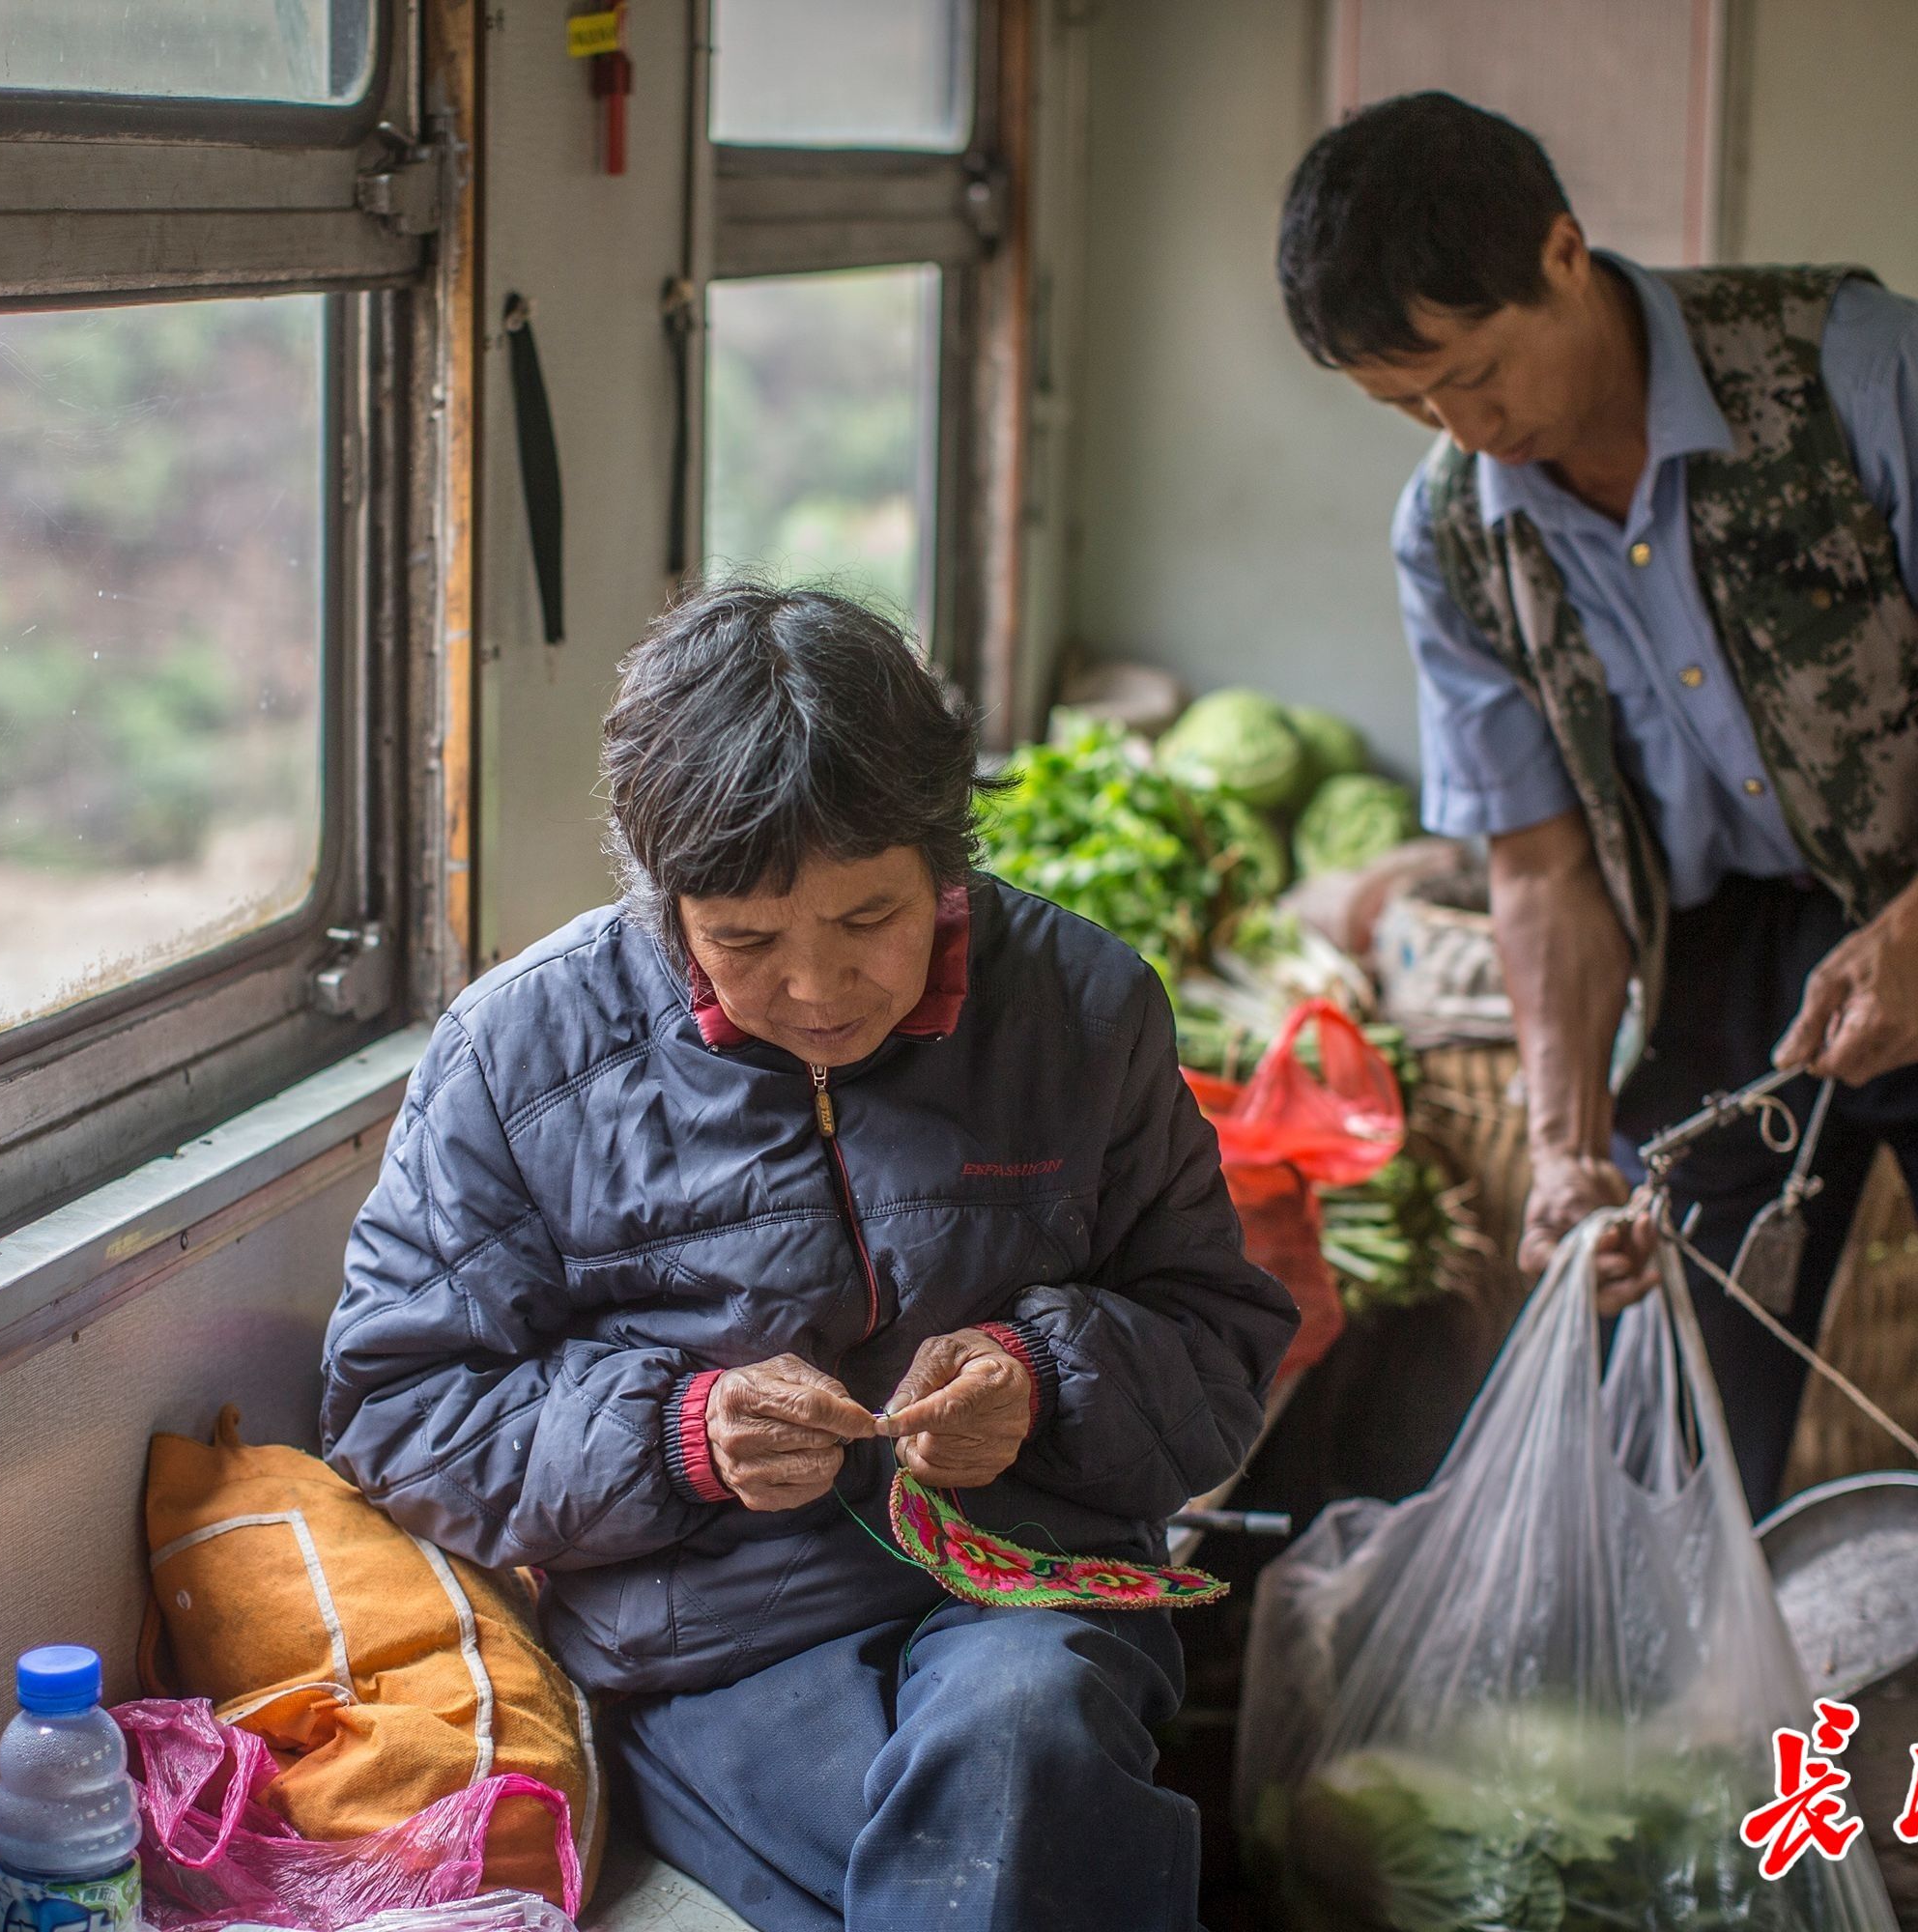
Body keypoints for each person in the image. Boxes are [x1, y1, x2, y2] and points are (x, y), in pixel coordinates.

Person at [1275, 93, 1918, 1932]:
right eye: (1407, 406)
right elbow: (1537, 867)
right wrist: (1554, 1141)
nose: (1463, 431)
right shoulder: (1459, 526)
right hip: (1724, 951)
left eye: (1468, 373)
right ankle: (1680, 1874)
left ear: (1559, 253)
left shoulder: (1856, 370)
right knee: (1662, 1440)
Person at [318, 583, 1296, 1932]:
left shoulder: (1081, 1005)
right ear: (667, 900)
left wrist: (1045, 1378)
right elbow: (398, 1410)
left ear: (943, 860)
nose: (819, 990)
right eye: (746, 941)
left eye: (868, 921)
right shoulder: (518, 1055)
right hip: (717, 1640)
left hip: (1026, 1589)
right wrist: (678, 1435)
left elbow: (1220, 1341)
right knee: (973, 1875)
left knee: (1026, 1736)